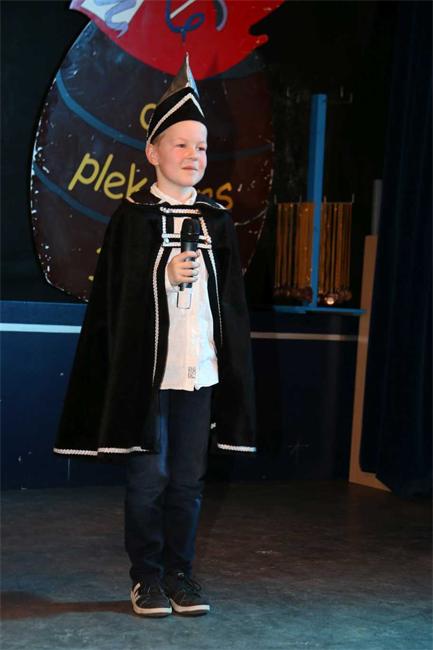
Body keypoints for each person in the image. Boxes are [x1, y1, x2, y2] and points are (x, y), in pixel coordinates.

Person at [54, 54, 256, 618]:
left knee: (189, 479)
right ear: (153, 152)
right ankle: (145, 576)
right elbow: (118, 297)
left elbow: (230, 305)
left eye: (202, 147)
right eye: (181, 144)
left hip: (199, 371)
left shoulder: (217, 220)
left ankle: (180, 574)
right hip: (151, 375)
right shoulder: (132, 217)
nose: (194, 155)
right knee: (149, 478)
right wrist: (161, 275)